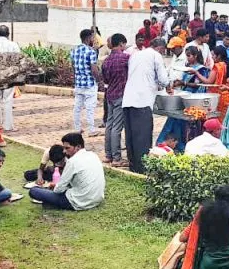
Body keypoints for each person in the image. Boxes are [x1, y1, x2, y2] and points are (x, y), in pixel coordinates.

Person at [122, 38, 172, 174]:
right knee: (142, 138)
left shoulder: (135, 55)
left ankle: (132, 165)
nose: (163, 52)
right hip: (142, 101)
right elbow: (163, 78)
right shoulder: (155, 55)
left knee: (131, 135)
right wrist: (168, 85)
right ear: (159, 47)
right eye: (163, 50)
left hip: (128, 100)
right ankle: (142, 168)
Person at [28, 133, 106, 211]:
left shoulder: (72, 161)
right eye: (64, 148)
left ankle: (51, 202)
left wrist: (54, 187)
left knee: (34, 191)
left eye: (67, 148)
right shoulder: (93, 155)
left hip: (78, 202)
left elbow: (59, 190)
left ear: (78, 147)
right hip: (97, 199)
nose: (64, 151)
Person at [101, 33, 129, 166]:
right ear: (121, 44)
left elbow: (105, 80)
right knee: (117, 127)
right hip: (120, 95)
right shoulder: (125, 58)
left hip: (110, 95)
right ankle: (117, 158)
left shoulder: (106, 61)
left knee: (109, 125)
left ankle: (108, 155)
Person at [70, 29, 100, 136]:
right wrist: (99, 79)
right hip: (90, 84)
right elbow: (94, 69)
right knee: (90, 107)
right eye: (92, 37)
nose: (93, 39)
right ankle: (91, 129)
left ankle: (77, 128)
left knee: (77, 107)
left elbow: (73, 67)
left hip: (79, 83)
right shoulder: (91, 52)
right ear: (88, 38)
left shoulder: (74, 50)